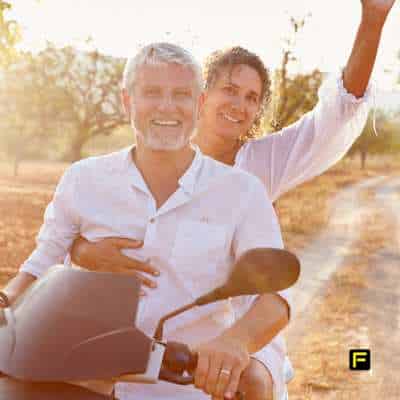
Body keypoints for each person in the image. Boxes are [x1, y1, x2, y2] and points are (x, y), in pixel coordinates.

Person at [66, 1, 397, 398]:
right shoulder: (151, 153)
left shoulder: (260, 164)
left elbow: (336, 115)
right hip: (149, 322)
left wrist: (373, 19)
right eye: (230, 90)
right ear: (202, 95)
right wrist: (83, 250)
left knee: (250, 381)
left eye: (252, 97)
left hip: (238, 329)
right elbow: (81, 228)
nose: (240, 105)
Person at [1, 42, 295, 400]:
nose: (166, 107)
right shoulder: (83, 179)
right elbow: (38, 267)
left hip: (185, 386)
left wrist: (234, 341)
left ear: (199, 104)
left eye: (181, 94)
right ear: (128, 102)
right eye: (152, 92)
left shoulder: (243, 192)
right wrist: (4, 301)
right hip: (75, 380)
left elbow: (275, 299)